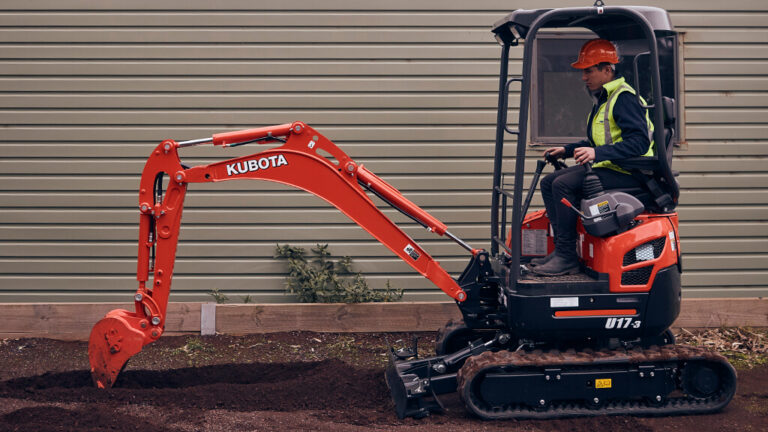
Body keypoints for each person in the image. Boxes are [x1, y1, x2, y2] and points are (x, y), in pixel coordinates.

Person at [531, 38, 654, 276]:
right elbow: (599, 143)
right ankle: (562, 250)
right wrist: (566, 150)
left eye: (588, 71)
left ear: (607, 70)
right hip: (613, 166)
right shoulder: (605, 99)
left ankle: (567, 257)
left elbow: (639, 143)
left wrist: (597, 153)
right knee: (548, 182)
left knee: (562, 184)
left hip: (631, 172)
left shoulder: (624, 98)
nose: (583, 77)